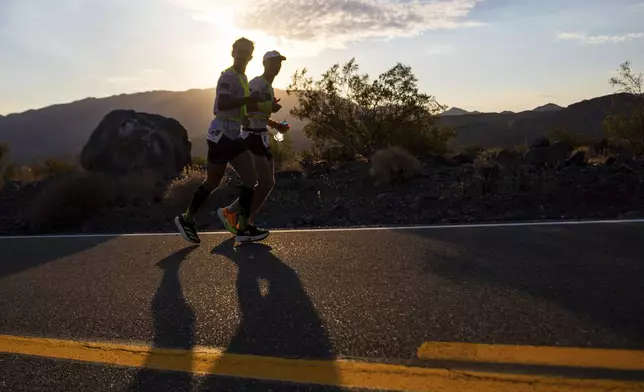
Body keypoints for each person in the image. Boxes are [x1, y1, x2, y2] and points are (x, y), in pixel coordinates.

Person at [174, 37, 269, 244]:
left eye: (247, 52)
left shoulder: (243, 77)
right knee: (213, 182)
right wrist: (249, 100)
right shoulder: (228, 76)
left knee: (250, 179)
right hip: (220, 136)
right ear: (232, 52)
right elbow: (224, 103)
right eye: (239, 51)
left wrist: (260, 107)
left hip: (234, 135)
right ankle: (187, 218)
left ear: (251, 56)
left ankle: (242, 227)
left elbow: (241, 109)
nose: (243, 54)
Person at [216, 50, 290, 236]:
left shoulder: (268, 86)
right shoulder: (257, 82)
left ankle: (234, 214)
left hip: (262, 135)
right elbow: (247, 106)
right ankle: (240, 222)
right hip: (250, 136)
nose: (277, 66)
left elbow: (259, 115)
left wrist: (276, 124)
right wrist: (269, 106)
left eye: (279, 63)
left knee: (267, 183)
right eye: (273, 63)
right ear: (264, 64)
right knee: (262, 181)